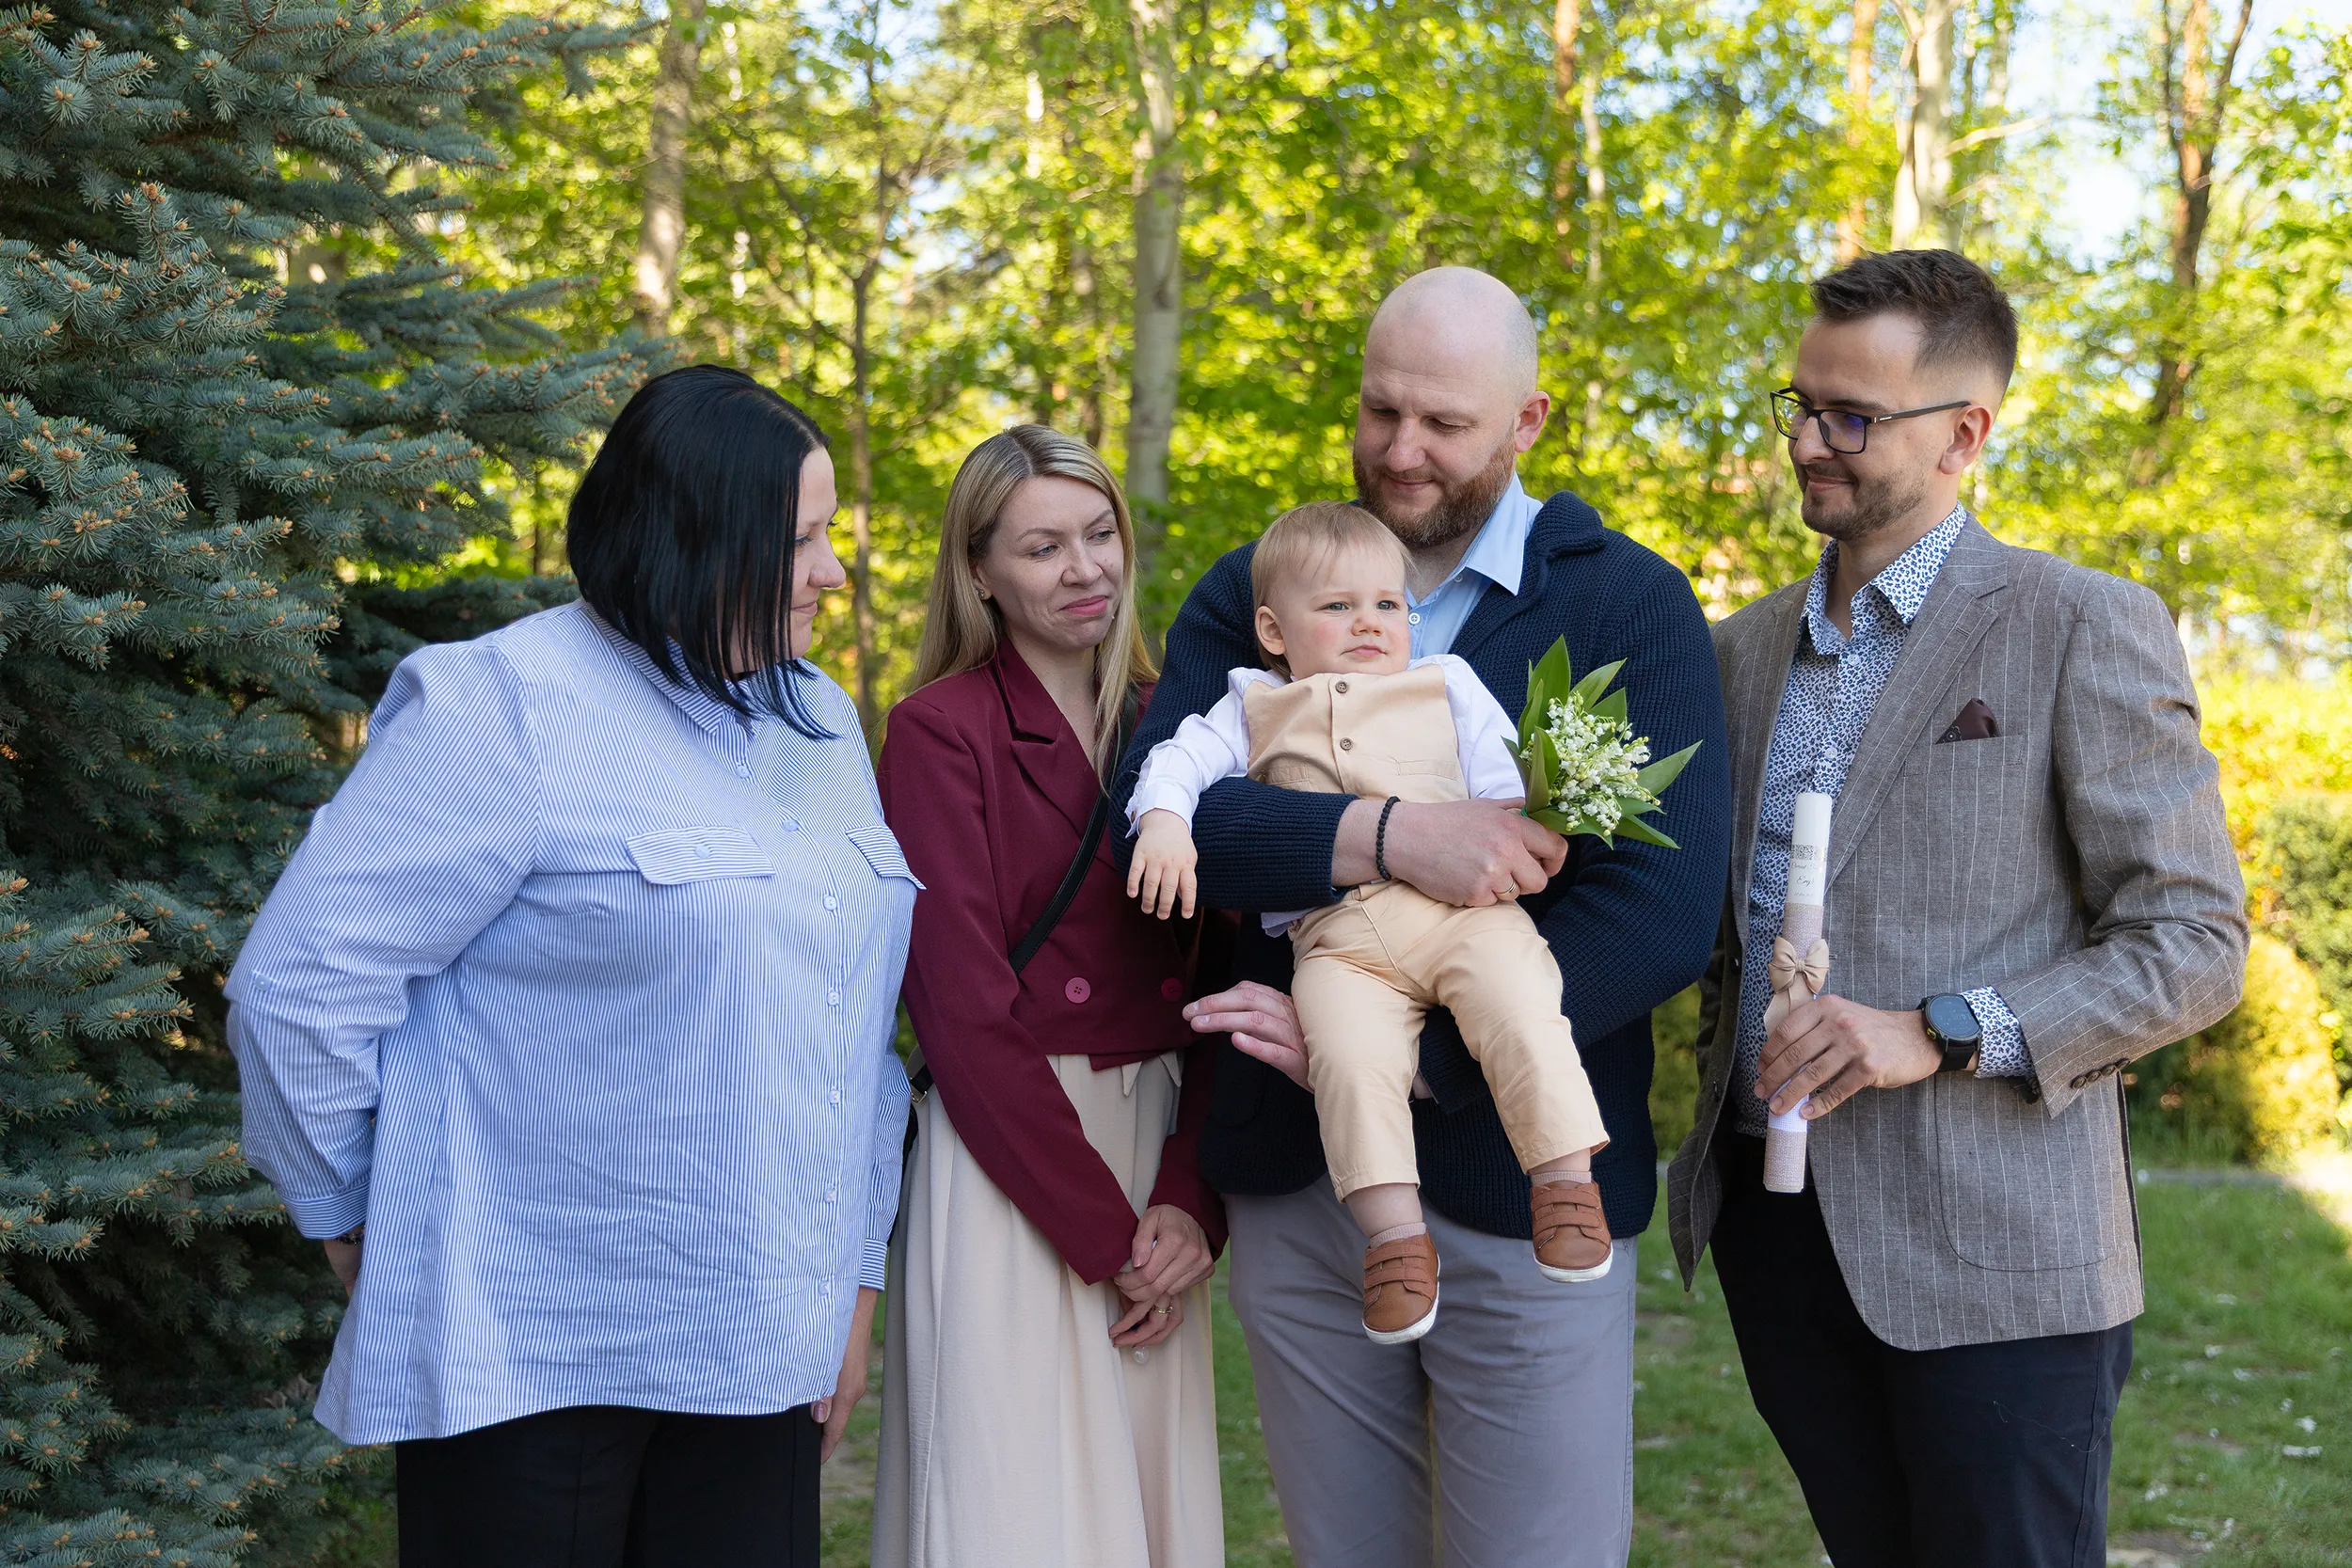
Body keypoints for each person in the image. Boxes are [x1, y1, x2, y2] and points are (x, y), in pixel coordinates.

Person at [225, 366, 914, 1566]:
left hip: (758, 1344)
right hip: (531, 1348)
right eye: (799, 540)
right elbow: (300, 985)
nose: (832, 571)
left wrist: (848, 1281)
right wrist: (346, 1213)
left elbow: (853, 1034)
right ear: (694, 536)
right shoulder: (505, 706)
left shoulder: (824, 723)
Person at [1115, 268, 1732, 1568]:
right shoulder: (1261, 588)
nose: (1402, 448)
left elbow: (1663, 910)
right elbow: (1176, 818)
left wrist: (1419, 1058)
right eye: (1380, 408)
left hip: (1526, 1176)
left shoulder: (1628, 602)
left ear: (1528, 421)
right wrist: (1394, 834)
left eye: (1443, 422)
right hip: (1301, 1176)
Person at [1664, 248, 2249, 1568]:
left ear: (1965, 434)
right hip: (1780, 1239)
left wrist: (1941, 1024)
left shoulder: (2079, 623)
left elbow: (2196, 942)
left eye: (1851, 416)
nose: (1809, 440)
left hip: (2001, 1257)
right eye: (1801, 404)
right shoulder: (1736, 648)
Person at [1125, 501, 1613, 1345]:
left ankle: (1564, 1180)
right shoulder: (1249, 704)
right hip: (1338, 945)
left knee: (1521, 999)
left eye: (1388, 605)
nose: (1369, 623)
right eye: (1338, 606)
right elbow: (1171, 760)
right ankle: (1393, 1241)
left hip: (1463, 917)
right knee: (1347, 1061)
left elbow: (1506, 783)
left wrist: (1533, 823)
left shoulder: (1448, 682)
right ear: (1274, 629)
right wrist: (1166, 820)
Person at [871, 425, 1226, 1568]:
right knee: (1013, 1506)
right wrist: (1105, 1232)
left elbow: (1234, 971)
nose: (1083, 569)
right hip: (1015, 1158)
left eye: (1097, 533)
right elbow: (963, 1015)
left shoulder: (1184, 721)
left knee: (1144, 1499)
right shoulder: (938, 733)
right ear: (978, 570)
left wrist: (1188, 1203)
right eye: (1040, 547)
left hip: (1164, 1146)